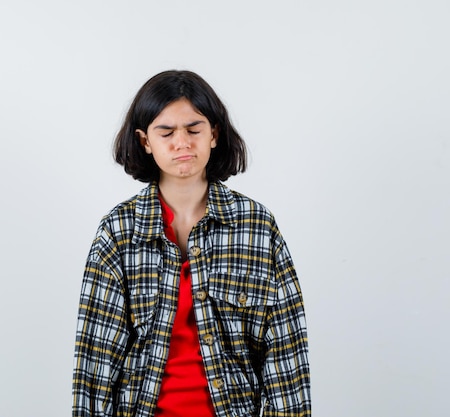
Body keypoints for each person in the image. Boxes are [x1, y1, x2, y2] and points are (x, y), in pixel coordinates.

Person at [72, 70, 311, 417]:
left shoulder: (257, 227)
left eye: (194, 129)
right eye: (166, 132)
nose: (181, 142)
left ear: (214, 134)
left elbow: (286, 358)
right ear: (145, 141)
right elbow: (95, 362)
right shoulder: (118, 231)